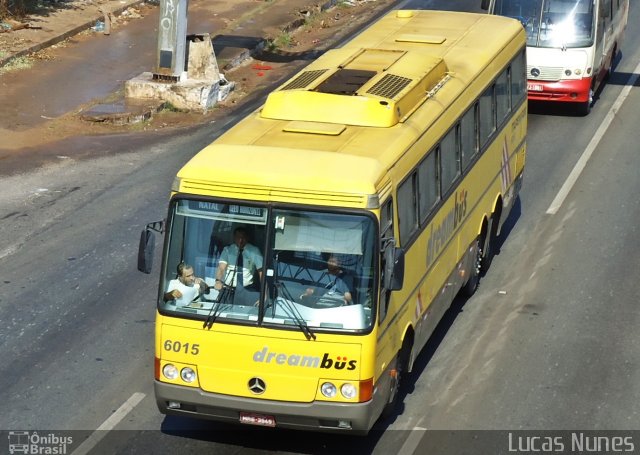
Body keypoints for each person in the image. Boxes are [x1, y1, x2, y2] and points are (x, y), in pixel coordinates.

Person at [213, 226, 263, 306]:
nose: (240, 240)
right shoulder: (227, 250)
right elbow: (221, 268)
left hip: (247, 290)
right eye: (238, 237)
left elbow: (261, 272)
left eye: (243, 237)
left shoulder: (254, 251)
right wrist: (218, 281)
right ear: (234, 238)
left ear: (247, 238)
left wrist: (264, 294)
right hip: (229, 289)